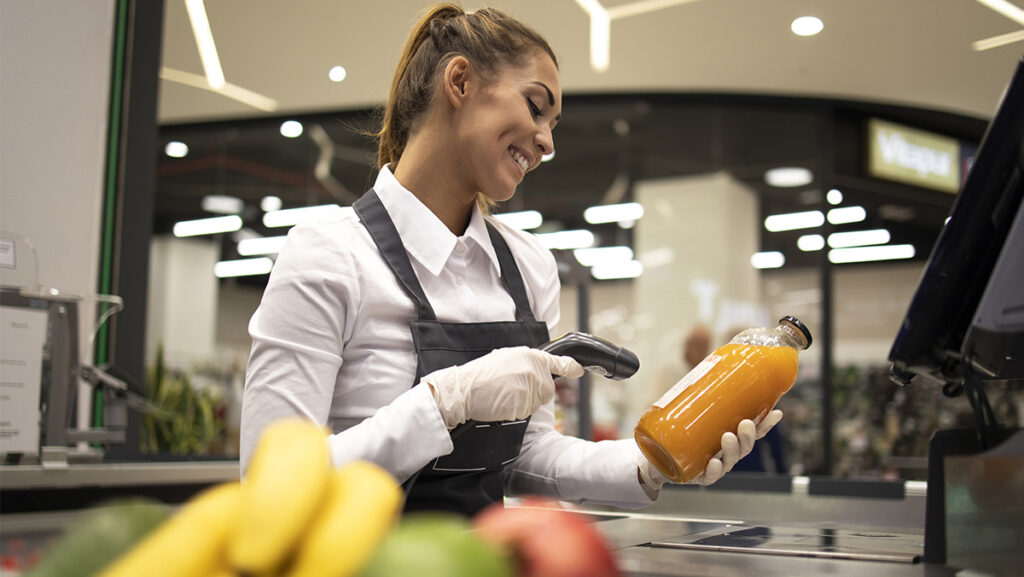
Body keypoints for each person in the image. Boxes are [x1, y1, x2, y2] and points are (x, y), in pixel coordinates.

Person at [240, 3, 783, 516]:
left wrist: (651, 464)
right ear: (459, 82)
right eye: (535, 105)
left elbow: (528, 455)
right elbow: (270, 490)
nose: (547, 143)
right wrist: (445, 400)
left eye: (553, 125)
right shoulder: (329, 255)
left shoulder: (528, 264)